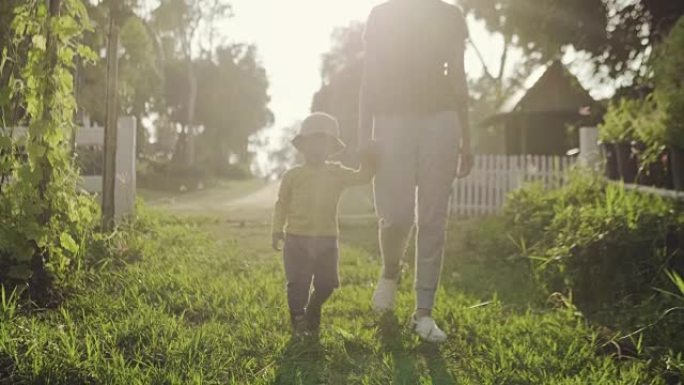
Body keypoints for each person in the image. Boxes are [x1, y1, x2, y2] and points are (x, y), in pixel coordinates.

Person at [358, 0, 473, 343]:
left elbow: (458, 75)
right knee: (395, 216)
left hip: (441, 119)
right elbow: (369, 78)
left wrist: (467, 137)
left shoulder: (450, 15)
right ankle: (391, 270)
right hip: (392, 120)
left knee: (433, 218)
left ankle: (423, 312)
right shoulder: (381, 14)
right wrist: (364, 135)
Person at [272, 112, 377, 337]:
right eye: (312, 143)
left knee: (328, 283)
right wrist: (276, 230)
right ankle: (298, 318)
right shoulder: (292, 176)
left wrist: (369, 159)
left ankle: (314, 307)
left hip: (327, 240)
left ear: (331, 148)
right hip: (296, 239)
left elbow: (363, 177)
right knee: (298, 282)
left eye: (323, 143)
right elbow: (281, 205)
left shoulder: (336, 172)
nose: (317, 149)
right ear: (303, 146)